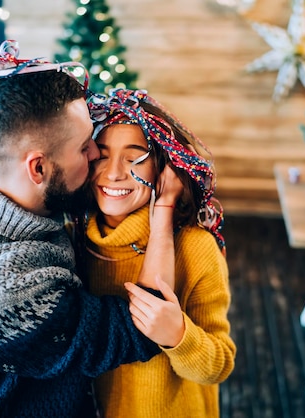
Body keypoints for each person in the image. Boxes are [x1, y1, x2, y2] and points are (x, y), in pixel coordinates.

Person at [0, 40, 181, 418]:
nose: (95, 155)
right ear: (39, 169)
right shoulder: (2, 294)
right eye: (84, 148)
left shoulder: (6, 196)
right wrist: (164, 206)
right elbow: (143, 328)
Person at [83, 88, 236, 417]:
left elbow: (219, 364)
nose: (113, 172)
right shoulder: (73, 241)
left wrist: (179, 335)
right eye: (103, 154)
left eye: (134, 156)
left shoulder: (195, 248)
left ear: (162, 168)